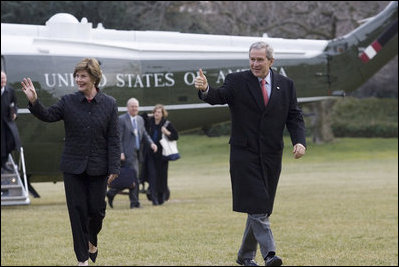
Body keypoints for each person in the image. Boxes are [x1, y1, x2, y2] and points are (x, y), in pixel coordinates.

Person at [194, 41, 306, 266]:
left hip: (271, 156)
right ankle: (270, 255)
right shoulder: (236, 81)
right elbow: (218, 96)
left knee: (261, 208)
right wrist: (204, 89)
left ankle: (245, 257)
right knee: (258, 205)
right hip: (244, 155)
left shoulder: (286, 85)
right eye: (252, 59)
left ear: (271, 61)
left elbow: (294, 116)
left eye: (260, 60)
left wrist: (299, 142)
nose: (255, 63)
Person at [21, 58, 120, 266]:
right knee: (77, 213)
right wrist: (34, 102)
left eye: (83, 76)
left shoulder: (109, 104)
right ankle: (82, 259)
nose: (78, 79)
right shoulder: (68, 101)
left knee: (97, 211)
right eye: (76, 76)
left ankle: (92, 240)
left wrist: (114, 167)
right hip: (73, 168)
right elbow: (48, 115)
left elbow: (113, 138)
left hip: (99, 167)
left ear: (94, 78)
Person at [106, 97, 157, 209]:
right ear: (127, 107)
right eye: (132, 106)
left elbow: (144, 135)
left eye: (136, 106)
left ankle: (112, 192)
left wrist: (151, 144)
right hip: (128, 154)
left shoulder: (140, 119)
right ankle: (134, 203)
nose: (134, 108)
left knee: (131, 179)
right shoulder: (121, 120)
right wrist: (121, 152)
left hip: (138, 154)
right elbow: (118, 138)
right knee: (134, 179)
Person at [143, 104, 178, 206]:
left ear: (163, 114)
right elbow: (142, 116)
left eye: (159, 112)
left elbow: (176, 136)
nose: (157, 114)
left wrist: (167, 132)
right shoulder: (150, 122)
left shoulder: (166, 124)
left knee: (162, 177)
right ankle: (154, 199)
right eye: (155, 112)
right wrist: (150, 115)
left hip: (163, 156)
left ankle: (161, 197)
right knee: (152, 176)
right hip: (151, 155)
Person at [1, 71, 21, 174]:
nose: (2, 81)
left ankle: (4, 164)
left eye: (3, 78)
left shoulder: (10, 91)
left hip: (6, 121)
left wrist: (15, 114)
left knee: (10, 142)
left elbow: (15, 105)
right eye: (1, 79)